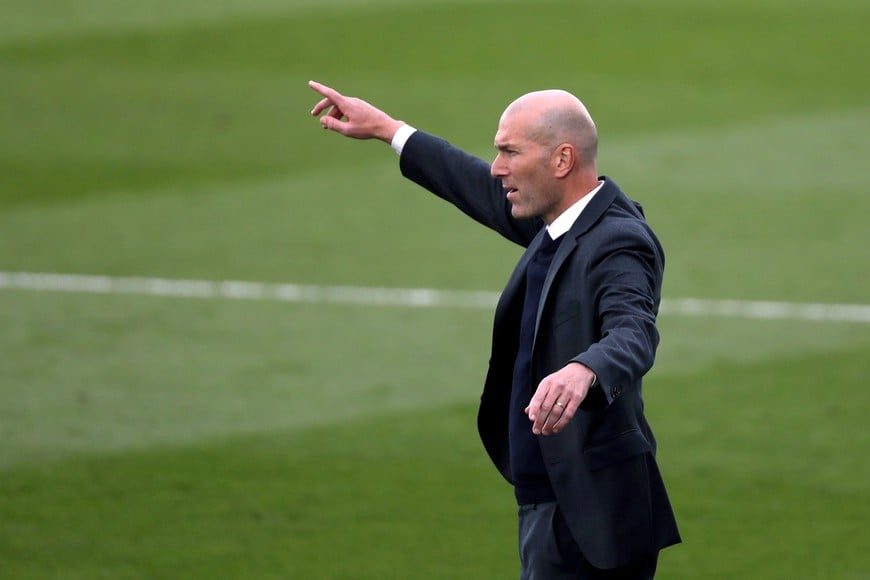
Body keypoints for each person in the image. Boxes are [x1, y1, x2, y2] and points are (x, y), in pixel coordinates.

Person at [308, 80, 681, 579]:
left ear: (562, 160)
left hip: (588, 520)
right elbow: (475, 186)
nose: (497, 167)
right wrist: (389, 130)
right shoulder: (563, 222)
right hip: (554, 505)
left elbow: (634, 330)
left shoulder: (617, 242)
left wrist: (585, 369)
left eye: (509, 151)